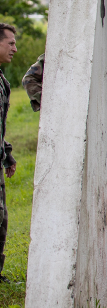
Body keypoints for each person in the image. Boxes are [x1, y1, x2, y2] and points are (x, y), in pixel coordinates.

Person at [0, 25, 17, 282]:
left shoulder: (2, 80)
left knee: (1, 218)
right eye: (10, 43)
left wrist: (7, 154)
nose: (15, 48)